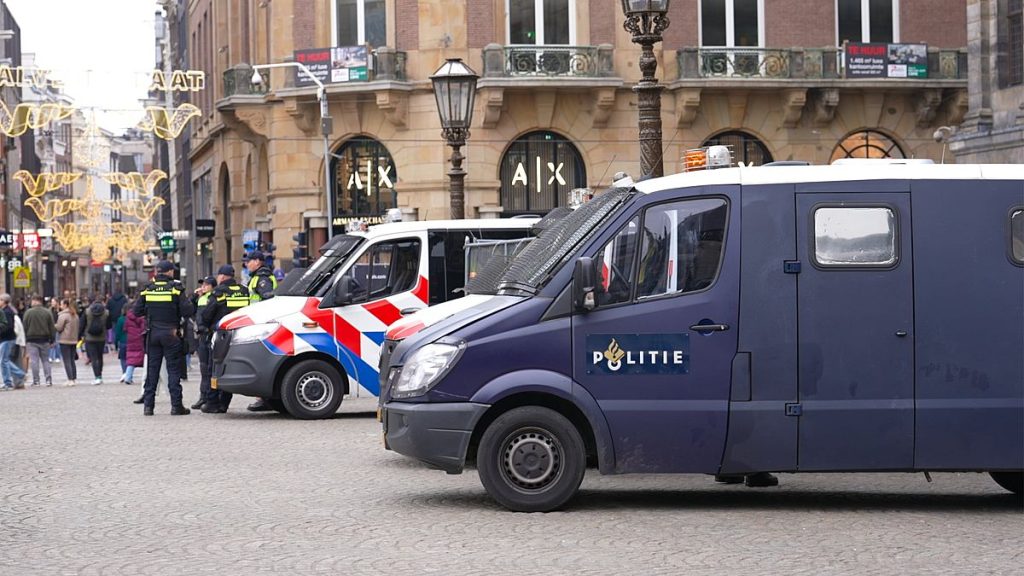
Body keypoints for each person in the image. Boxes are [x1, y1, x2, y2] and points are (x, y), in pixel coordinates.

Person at [134, 260, 194, 416]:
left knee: (152, 370)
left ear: (156, 272)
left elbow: (136, 311)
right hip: (171, 333)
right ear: (169, 272)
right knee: (173, 370)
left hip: (153, 333)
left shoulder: (148, 289)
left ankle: (148, 407)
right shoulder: (176, 288)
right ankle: (176, 406)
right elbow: (187, 311)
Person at [200, 265, 250, 413]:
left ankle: (212, 402)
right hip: (240, 334)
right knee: (229, 368)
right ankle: (224, 403)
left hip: (221, 335)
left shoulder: (219, 292)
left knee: (214, 368)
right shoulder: (243, 290)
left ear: (221, 277)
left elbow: (208, 314)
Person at [244, 251, 278, 412]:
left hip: (261, 324)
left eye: (249, 261)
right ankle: (263, 397)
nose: (246, 264)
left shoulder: (262, 278)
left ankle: (262, 398)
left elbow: (268, 299)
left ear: (257, 261)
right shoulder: (258, 277)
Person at [189, 277, 216, 409]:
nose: (203, 287)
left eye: (206, 285)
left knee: (209, 369)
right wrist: (195, 297)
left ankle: (209, 397)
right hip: (202, 336)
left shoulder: (213, 298)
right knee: (204, 368)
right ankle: (203, 396)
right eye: (202, 284)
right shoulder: (202, 298)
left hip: (208, 334)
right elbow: (190, 310)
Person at [23, 295, 56, 387]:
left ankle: (36, 381)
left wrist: (25, 339)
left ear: (34, 301)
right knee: (45, 360)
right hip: (45, 339)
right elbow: (51, 327)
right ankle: (48, 380)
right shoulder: (47, 312)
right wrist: (52, 339)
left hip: (31, 339)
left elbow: (24, 326)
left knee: (34, 361)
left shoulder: (28, 313)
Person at [80, 298, 109, 385]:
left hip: (89, 338)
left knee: (93, 358)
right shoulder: (106, 312)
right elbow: (109, 325)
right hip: (101, 338)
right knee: (100, 357)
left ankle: (97, 377)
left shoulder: (87, 311)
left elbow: (82, 325)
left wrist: (80, 336)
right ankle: (100, 376)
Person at [0, 293, 25, 390]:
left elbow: (9, 326)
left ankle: (9, 382)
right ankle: (17, 376)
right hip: (7, 339)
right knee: (4, 361)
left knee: (4, 361)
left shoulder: (6, 312)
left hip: (7, 339)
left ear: (4, 301)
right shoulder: (6, 311)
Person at [124, 303, 147, 403]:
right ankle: (144, 378)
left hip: (131, 340)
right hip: (139, 339)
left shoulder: (128, 317)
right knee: (141, 359)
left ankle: (128, 377)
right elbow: (143, 328)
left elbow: (125, 328)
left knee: (131, 360)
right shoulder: (142, 318)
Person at [55, 299, 79, 386]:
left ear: (65, 305)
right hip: (73, 339)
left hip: (64, 340)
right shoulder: (75, 315)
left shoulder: (63, 316)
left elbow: (59, 328)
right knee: (72, 360)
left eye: (61, 304)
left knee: (67, 360)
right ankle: (74, 378)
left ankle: (70, 379)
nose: (60, 306)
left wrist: (54, 326)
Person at [114, 302, 130, 383]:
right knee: (130, 359)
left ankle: (124, 372)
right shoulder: (134, 318)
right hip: (132, 341)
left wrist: (116, 343)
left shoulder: (120, 320)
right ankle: (129, 374)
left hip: (123, 342)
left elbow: (118, 333)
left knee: (123, 358)